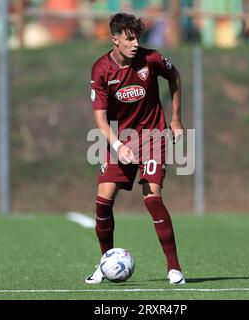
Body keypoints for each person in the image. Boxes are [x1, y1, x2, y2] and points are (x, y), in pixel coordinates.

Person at [86, 12, 185, 285]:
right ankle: (105, 263)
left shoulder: (151, 59)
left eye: (137, 38)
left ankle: (174, 268)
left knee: (152, 199)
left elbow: (174, 76)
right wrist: (117, 145)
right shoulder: (101, 70)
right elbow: (100, 119)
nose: (134, 44)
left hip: (153, 136)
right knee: (102, 202)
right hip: (120, 138)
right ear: (114, 40)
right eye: (129, 39)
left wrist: (175, 118)